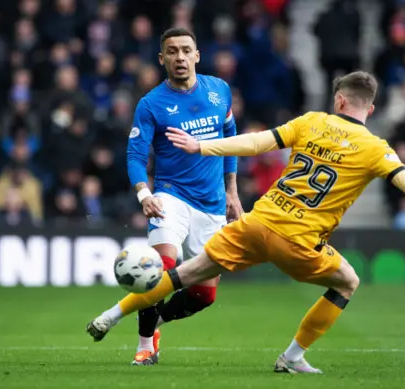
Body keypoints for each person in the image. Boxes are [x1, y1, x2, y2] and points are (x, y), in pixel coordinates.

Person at [87, 71, 405, 373]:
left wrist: (203, 146)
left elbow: (256, 141)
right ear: (371, 108)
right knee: (347, 281)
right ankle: (293, 357)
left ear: (339, 100)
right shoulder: (376, 149)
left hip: (256, 224)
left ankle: (110, 315)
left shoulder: (312, 121)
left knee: (183, 274)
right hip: (299, 241)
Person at [86, 28, 243, 365]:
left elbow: (230, 138)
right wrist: (144, 194)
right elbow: (134, 156)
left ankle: (154, 323)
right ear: (162, 59)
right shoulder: (151, 104)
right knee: (161, 267)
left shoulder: (220, 91)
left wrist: (232, 190)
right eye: (172, 51)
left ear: (198, 55)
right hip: (170, 196)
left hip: (213, 203)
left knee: (204, 294)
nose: (180, 57)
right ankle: (144, 347)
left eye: (186, 50)